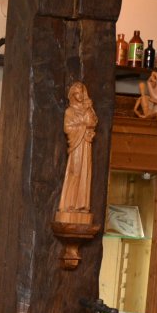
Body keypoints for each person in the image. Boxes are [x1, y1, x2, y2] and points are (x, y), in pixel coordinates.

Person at [60, 80, 97, 215]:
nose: (80, 96)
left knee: (85, 172)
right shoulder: (70, 111)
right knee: (75, 172)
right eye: (76, 94)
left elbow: (92, 122)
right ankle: (68, 203)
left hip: (86, 144)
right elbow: (67, 128)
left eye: (81, 93)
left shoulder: (87, 109)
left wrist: (88, 109)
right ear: (73, 96)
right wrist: (82, 125)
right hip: (77, 144)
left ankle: (81, 204)